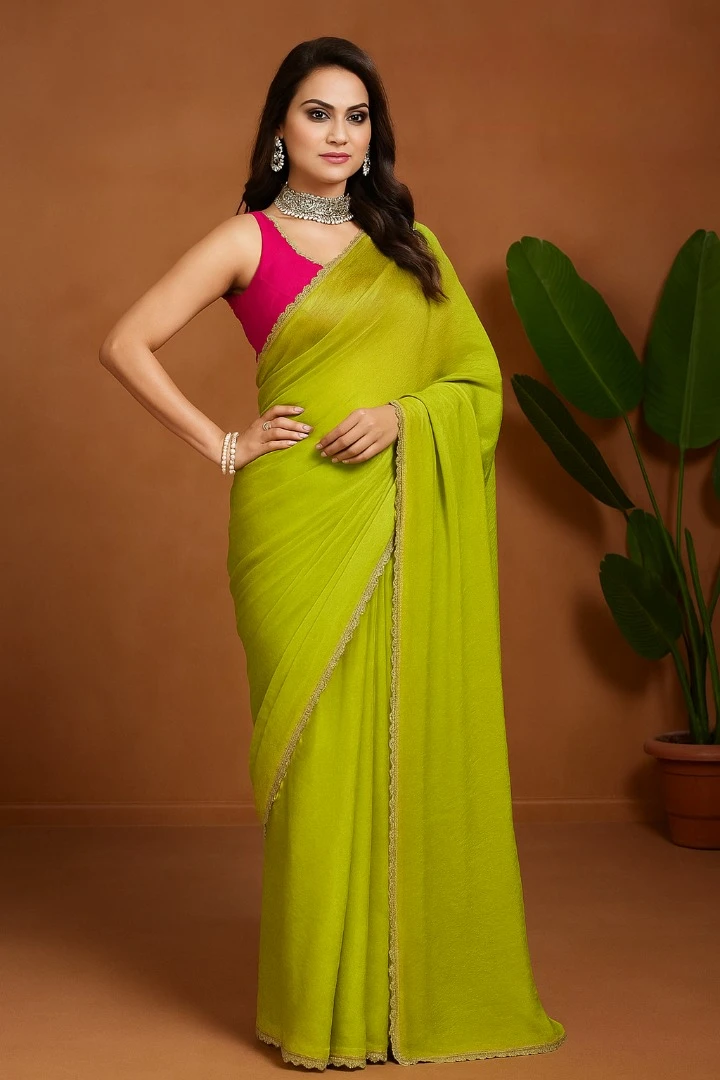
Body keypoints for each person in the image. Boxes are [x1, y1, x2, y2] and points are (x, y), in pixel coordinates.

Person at [99, 34, 566, 1073]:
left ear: (374, 133)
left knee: (395, 751)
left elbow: (475, 386)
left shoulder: (411, 247)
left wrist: (404, 419)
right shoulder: (245, 240)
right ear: (280, 127)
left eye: (357, 117)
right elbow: (124, 342)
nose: (340, 134)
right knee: (315, 769)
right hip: (294, 522)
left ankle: (396, 1002)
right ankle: (321, 1011)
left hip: (394, 511)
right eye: (318, 113)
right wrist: (223, 444)